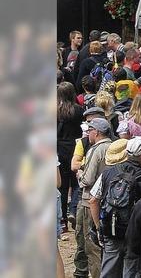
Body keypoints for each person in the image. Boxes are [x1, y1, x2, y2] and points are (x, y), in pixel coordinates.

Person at [89, 137, 141, 278]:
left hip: (110, 229)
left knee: (108, 271)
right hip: (135, 233)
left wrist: (99, 227)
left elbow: (93, 200)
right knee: (132, 270)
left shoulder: (108, 172)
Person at [77, 118, 112, 278]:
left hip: (90, 201)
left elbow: (87, 179)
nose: (87, 133)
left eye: (89, 130)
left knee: (92, 246)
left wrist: (79, 175)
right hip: (110, 202)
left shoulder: (95, 150)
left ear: (96, 132)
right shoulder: (113, 146)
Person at [57, 82, 84, 234]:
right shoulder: (78, 110)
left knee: (61, 186)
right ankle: (73, 210)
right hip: (75, 148)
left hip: (58, 149)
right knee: (76, 183)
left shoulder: (55, 112)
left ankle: (62, 221)